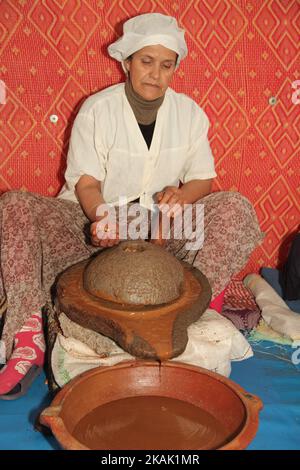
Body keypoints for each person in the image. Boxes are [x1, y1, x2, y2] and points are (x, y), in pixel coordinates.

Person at [0, 13, 263, 398]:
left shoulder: (189, 114)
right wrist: (103, 217)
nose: (156, 74)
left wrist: (182, 197)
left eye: (166, 64)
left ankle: (192, 309)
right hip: (90, 226)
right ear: (126, 62)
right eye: (146, 61)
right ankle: (27, 334)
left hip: (159, 233)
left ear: (175, 68)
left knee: (234, 207)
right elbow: (87, 182)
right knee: (15, 205)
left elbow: (202, 178)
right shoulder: (97, 109)